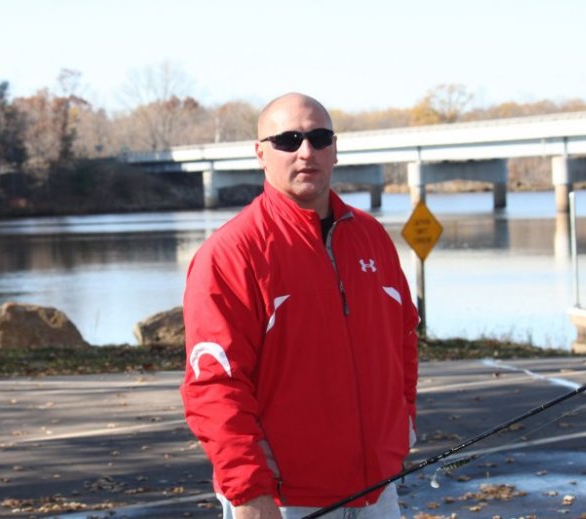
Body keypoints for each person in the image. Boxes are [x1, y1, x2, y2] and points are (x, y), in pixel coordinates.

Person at [180, 92, 419, 519]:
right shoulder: (232, 253)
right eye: (288, 140)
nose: (306, 151)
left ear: (335, 149)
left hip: (378, 493)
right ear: (261, 153)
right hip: (285, 501)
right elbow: (214, 386)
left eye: (319, 138)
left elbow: (402, 339)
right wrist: (250, 494)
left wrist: (402, 428)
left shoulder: (371, 237)